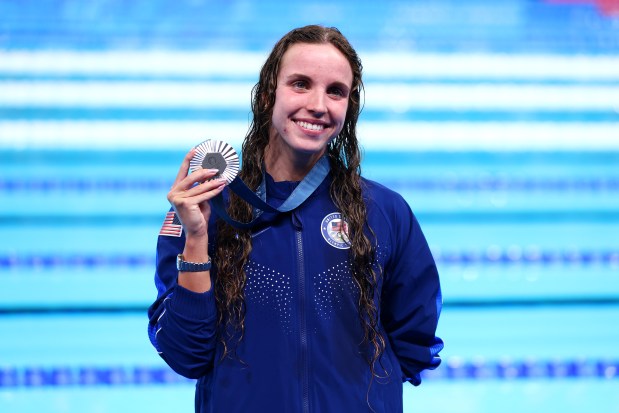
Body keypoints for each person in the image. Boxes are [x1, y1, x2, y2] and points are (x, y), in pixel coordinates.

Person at [148, 24, 443, 413]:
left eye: (335, 91)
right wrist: (197, 238)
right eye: (300, 84)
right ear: (269, 94)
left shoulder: (384, 211)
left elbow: (415, 341)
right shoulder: (207, 206)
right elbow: (185, 355)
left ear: (348, 107)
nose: (318, 104)